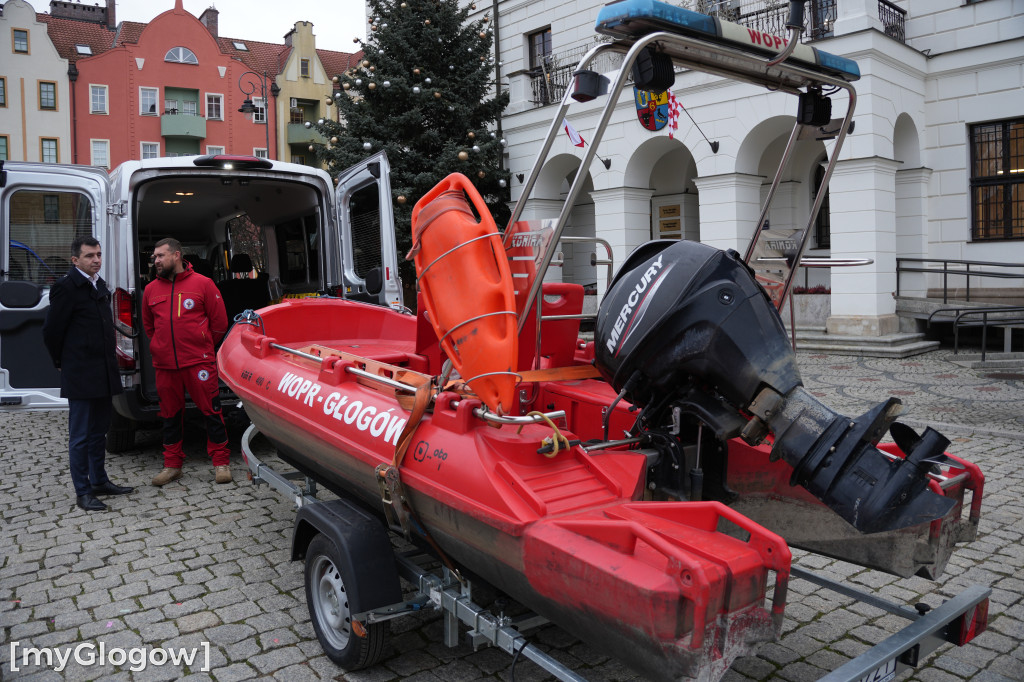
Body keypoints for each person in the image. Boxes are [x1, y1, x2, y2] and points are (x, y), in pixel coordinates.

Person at [42, 236, 134, 511]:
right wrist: (61, 360)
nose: (96, 260)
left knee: (99, 433)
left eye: (99, 254)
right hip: (80, 372)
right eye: (90, 256)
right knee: (80, 436)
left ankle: (99, 481)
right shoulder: (66, 287)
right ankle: (83, 492)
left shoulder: (100, 285)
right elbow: (51, 330)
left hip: (104, 371)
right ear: (75, 260)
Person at [142, 238, 232, 485]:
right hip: (165, 366)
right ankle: (172, 465)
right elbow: (150, 327)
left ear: (177, 256)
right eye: (155, 257)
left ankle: (221, 462)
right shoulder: (150, 290)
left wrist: (200, 346)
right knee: (170, 415)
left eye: (160, 256)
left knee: (211, 412)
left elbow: (220, 324)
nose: (156, 261)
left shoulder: (203, 284)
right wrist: (162, 347)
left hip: (198, 363)